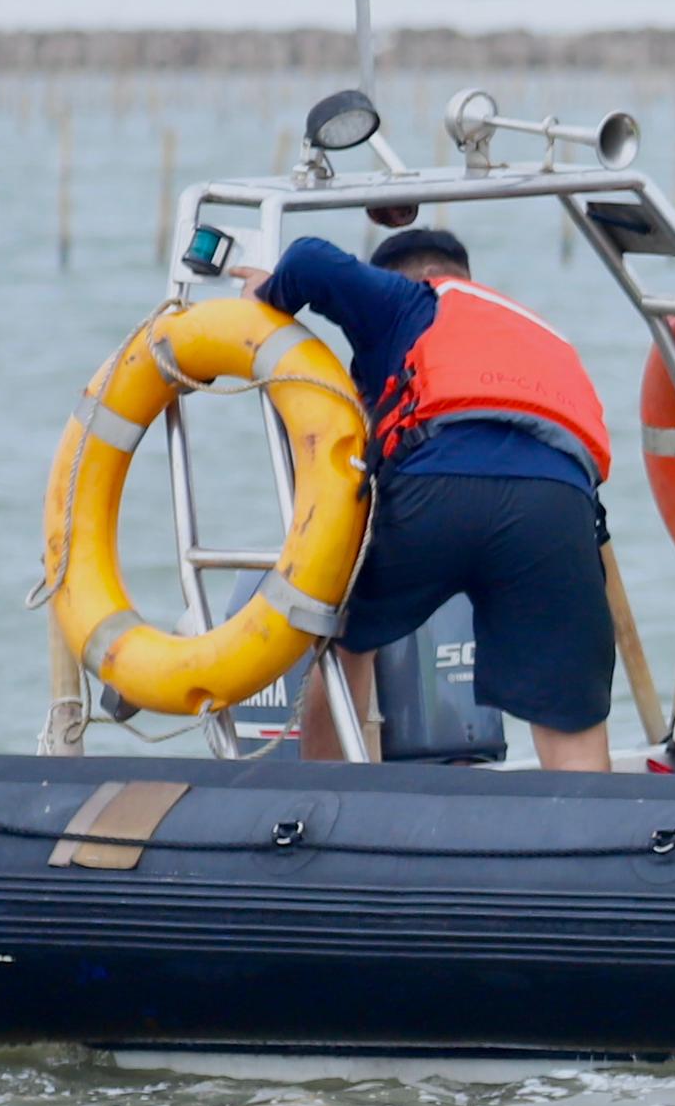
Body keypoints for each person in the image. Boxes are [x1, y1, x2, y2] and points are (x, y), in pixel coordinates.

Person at [247, 223, 619, 771]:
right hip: (557, 509)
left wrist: (265, 292)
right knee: (571, 716)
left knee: (342, 638)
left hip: (437, 488)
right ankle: (595, 841)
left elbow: (308, 261)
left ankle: (327, 806)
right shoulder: (542, 333)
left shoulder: (410, 297)